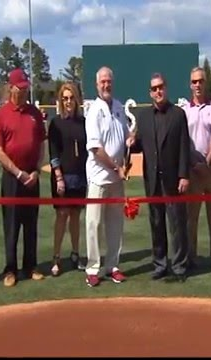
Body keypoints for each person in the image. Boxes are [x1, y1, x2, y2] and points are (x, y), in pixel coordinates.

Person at [128, 73, 191, 282]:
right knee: (156, 224)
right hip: (152, 179)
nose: (158, 91)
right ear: (150, 92)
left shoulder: (178, 114)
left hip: (173, 179)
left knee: (177, 224)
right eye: (154, 89)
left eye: (161, 87)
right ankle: (160, 264)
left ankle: (180, 265)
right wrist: (131, 143)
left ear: (166, 88)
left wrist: (184, 175)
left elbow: (184, 147)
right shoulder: (144, 117)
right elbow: (140, 144)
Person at [0, 68, 47, 287]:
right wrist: (19, 173)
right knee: (11, 225)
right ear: (11, 87)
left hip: (32, 176)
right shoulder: (2, 115)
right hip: (12, 178)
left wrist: (36, 171)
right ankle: (10, 269)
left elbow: (41, 144)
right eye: (20, 88)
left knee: (31, 224)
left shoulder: (34, 113)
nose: (23, 92)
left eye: (25, 88)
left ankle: (30, 266)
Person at [84, 66, 128, 287]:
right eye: (102, 81)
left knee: (115, 224)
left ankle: (113, 266)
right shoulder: (93, 111)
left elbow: (126, 138)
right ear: (97, 84)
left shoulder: (119, 107)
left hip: (116, 179)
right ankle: (92, 268)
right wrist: (115, 167)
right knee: (94, 223)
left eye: (109, 81)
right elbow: (96, 149)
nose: (106, 85)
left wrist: (130, 145)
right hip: (99, 177)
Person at [181, 67, 211, 270]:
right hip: (192, 170)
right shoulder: (185, 111)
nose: (197, 85)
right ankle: (191, 255)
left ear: (205, 83)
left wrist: (207, 162)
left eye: (200, 81)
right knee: (191, 218)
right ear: (190, 85)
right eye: (194, 82)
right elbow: (183, 141)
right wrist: (194, 164)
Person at [48, 82, 87, 276]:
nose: (68, 101)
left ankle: (75, 253)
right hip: (62, 177)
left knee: (75, 216)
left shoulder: (83, 122)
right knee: (61, 216)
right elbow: (53, 152)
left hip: (79, 176)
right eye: (65, 98)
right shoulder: (55, 123)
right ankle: (56, 256)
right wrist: (58, 177)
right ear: (60, 100)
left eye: (71, 97)